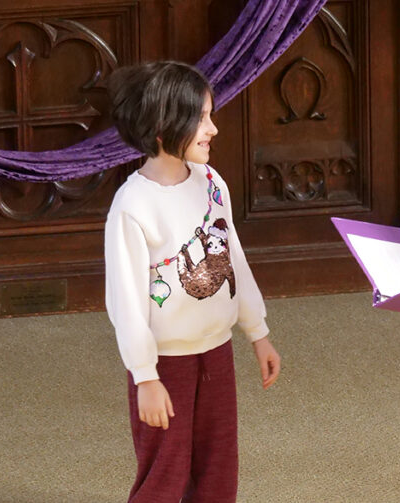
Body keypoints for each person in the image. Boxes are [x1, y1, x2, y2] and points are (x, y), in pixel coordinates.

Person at [104, 61, 281, 503]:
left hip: (216, 353)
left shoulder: (211, 182)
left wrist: (258, 334)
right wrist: (145, 376)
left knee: (218, 469)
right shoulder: (132, 206)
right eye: (202, 118)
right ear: (164, 127)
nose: (213, 128)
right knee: (164, 473)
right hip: (166, 365)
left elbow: (232, 260)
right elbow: (125, 303)